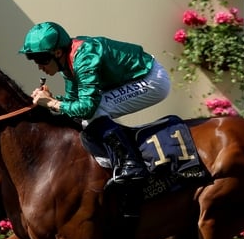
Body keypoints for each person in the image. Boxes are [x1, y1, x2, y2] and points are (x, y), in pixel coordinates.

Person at [19, 21, 171, 184]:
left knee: (96, 110)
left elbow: (87, 108)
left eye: (41, 59)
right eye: (33, 59)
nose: (39, 66)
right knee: (87, 113)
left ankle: (132, 164)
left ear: (57, 52)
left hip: (151, 79)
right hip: (134, 79)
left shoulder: (84, 57)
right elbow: (73, 103)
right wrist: (53, 100)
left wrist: (52, 103)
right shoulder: (67, 63)